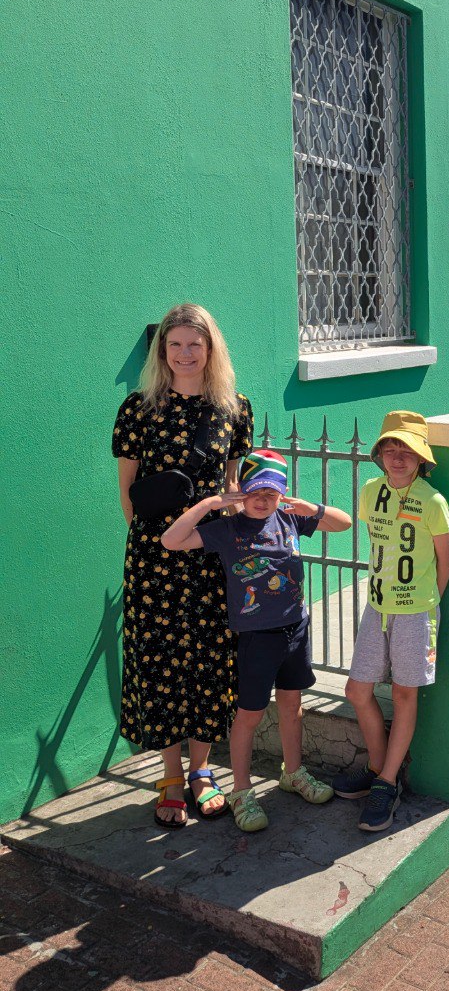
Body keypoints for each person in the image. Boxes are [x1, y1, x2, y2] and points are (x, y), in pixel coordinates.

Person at [113, 303, 253, 828]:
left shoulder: (235, 409)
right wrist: (152, 546)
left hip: (208, 554)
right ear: (162, 351)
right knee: (162, 660)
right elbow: (128, 493)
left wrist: (226, 539)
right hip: (153, 560)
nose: (185, 354)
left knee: (209, 659)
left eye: (195, 344)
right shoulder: (139, 409)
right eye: (175, 345)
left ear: (211, 348)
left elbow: (231, 488)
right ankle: (170, 775)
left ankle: (201, 772)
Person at [162, 449, 353, 832]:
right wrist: (213, 503)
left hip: (295, 629)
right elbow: (171, 541)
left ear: (283, 494)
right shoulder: (228, 529)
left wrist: (309, 507)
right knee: (249, 715)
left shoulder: (288, 519)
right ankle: (242, 791)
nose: (263, 499)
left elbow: (344, 523)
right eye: (255, 491)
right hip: (255, 637)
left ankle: (293, 773)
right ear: (242, 491)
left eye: (273, 492)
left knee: (292, 704)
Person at [332, 411, 449, 833]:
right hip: (377, 607)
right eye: (390, 448)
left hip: (416, 611)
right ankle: (378, 765)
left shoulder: (433, 502)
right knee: (357, 689)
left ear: (422, 459)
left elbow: (445, 558)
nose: (397, 457)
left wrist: (425, 603)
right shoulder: (370, 492)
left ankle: (386, 784)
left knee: (404, 694)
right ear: (379, 453)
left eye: (407, 450)